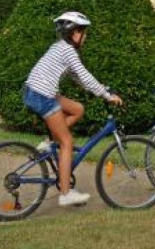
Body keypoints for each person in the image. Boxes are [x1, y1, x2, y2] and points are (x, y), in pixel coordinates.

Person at [23, 11, 123, 207]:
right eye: (84, 33)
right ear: (75, 33)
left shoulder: (61, 47)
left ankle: (50, 142)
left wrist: (100, 88)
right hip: (43, 96)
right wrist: (107, 95)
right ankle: (65, 193)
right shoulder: (68, 51)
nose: (85, 37)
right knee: (67, 142)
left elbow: (77, 77)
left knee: (77, 108)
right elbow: (84, 76)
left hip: (35, 91)